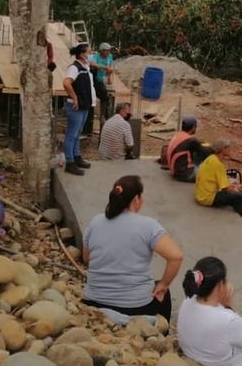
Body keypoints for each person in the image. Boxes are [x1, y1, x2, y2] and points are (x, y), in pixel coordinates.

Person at [81, 175, 183, 321]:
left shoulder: (95, 222)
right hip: (135, 306)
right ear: (136, 199)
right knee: (164, 295)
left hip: (93, 301)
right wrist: (163, 284)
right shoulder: (148, 226)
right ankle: (160, 331)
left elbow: (87, 259)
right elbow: (176, 257)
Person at [62, 43, 96, 175]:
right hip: (76, 106)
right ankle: (69, 161)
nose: (90, 55)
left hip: (84, 105)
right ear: (82, 54)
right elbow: (66, 83)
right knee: (71, 134)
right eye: (89, 52)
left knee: (77, 133)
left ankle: (76, 156)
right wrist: (74, 97)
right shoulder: (74, 68)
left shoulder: (85, 67)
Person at [195, 139, 242, 219]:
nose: (230, 150)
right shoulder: (218, 165)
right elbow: (227, 189)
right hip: (207, 198)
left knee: (236, 192)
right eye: (228, 148)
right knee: (240, 196)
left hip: (200, 194)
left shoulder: (211, 158)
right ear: (223, 149)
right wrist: (236, 188)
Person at [166, 116, 213, 183]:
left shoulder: (178, 135)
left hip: (175, 171)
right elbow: (205, 152)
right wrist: (214, 147)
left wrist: (199, 143)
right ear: (193, 127)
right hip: (186, 174)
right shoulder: (191, 140)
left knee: (196, 151)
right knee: (212, 173)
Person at [83, 42, 115, 136]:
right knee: (98, 97)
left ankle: (104, 117)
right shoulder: (95, 56)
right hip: (94, 79)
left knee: (106, 97)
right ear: (102, 51)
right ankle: (91, 125)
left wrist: (109, 77)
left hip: (102, 79)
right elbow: (93, 64)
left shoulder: (110, 57)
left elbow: (110, 67)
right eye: (107, 50)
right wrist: (105, 68)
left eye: (109, 50)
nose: (108, 52)